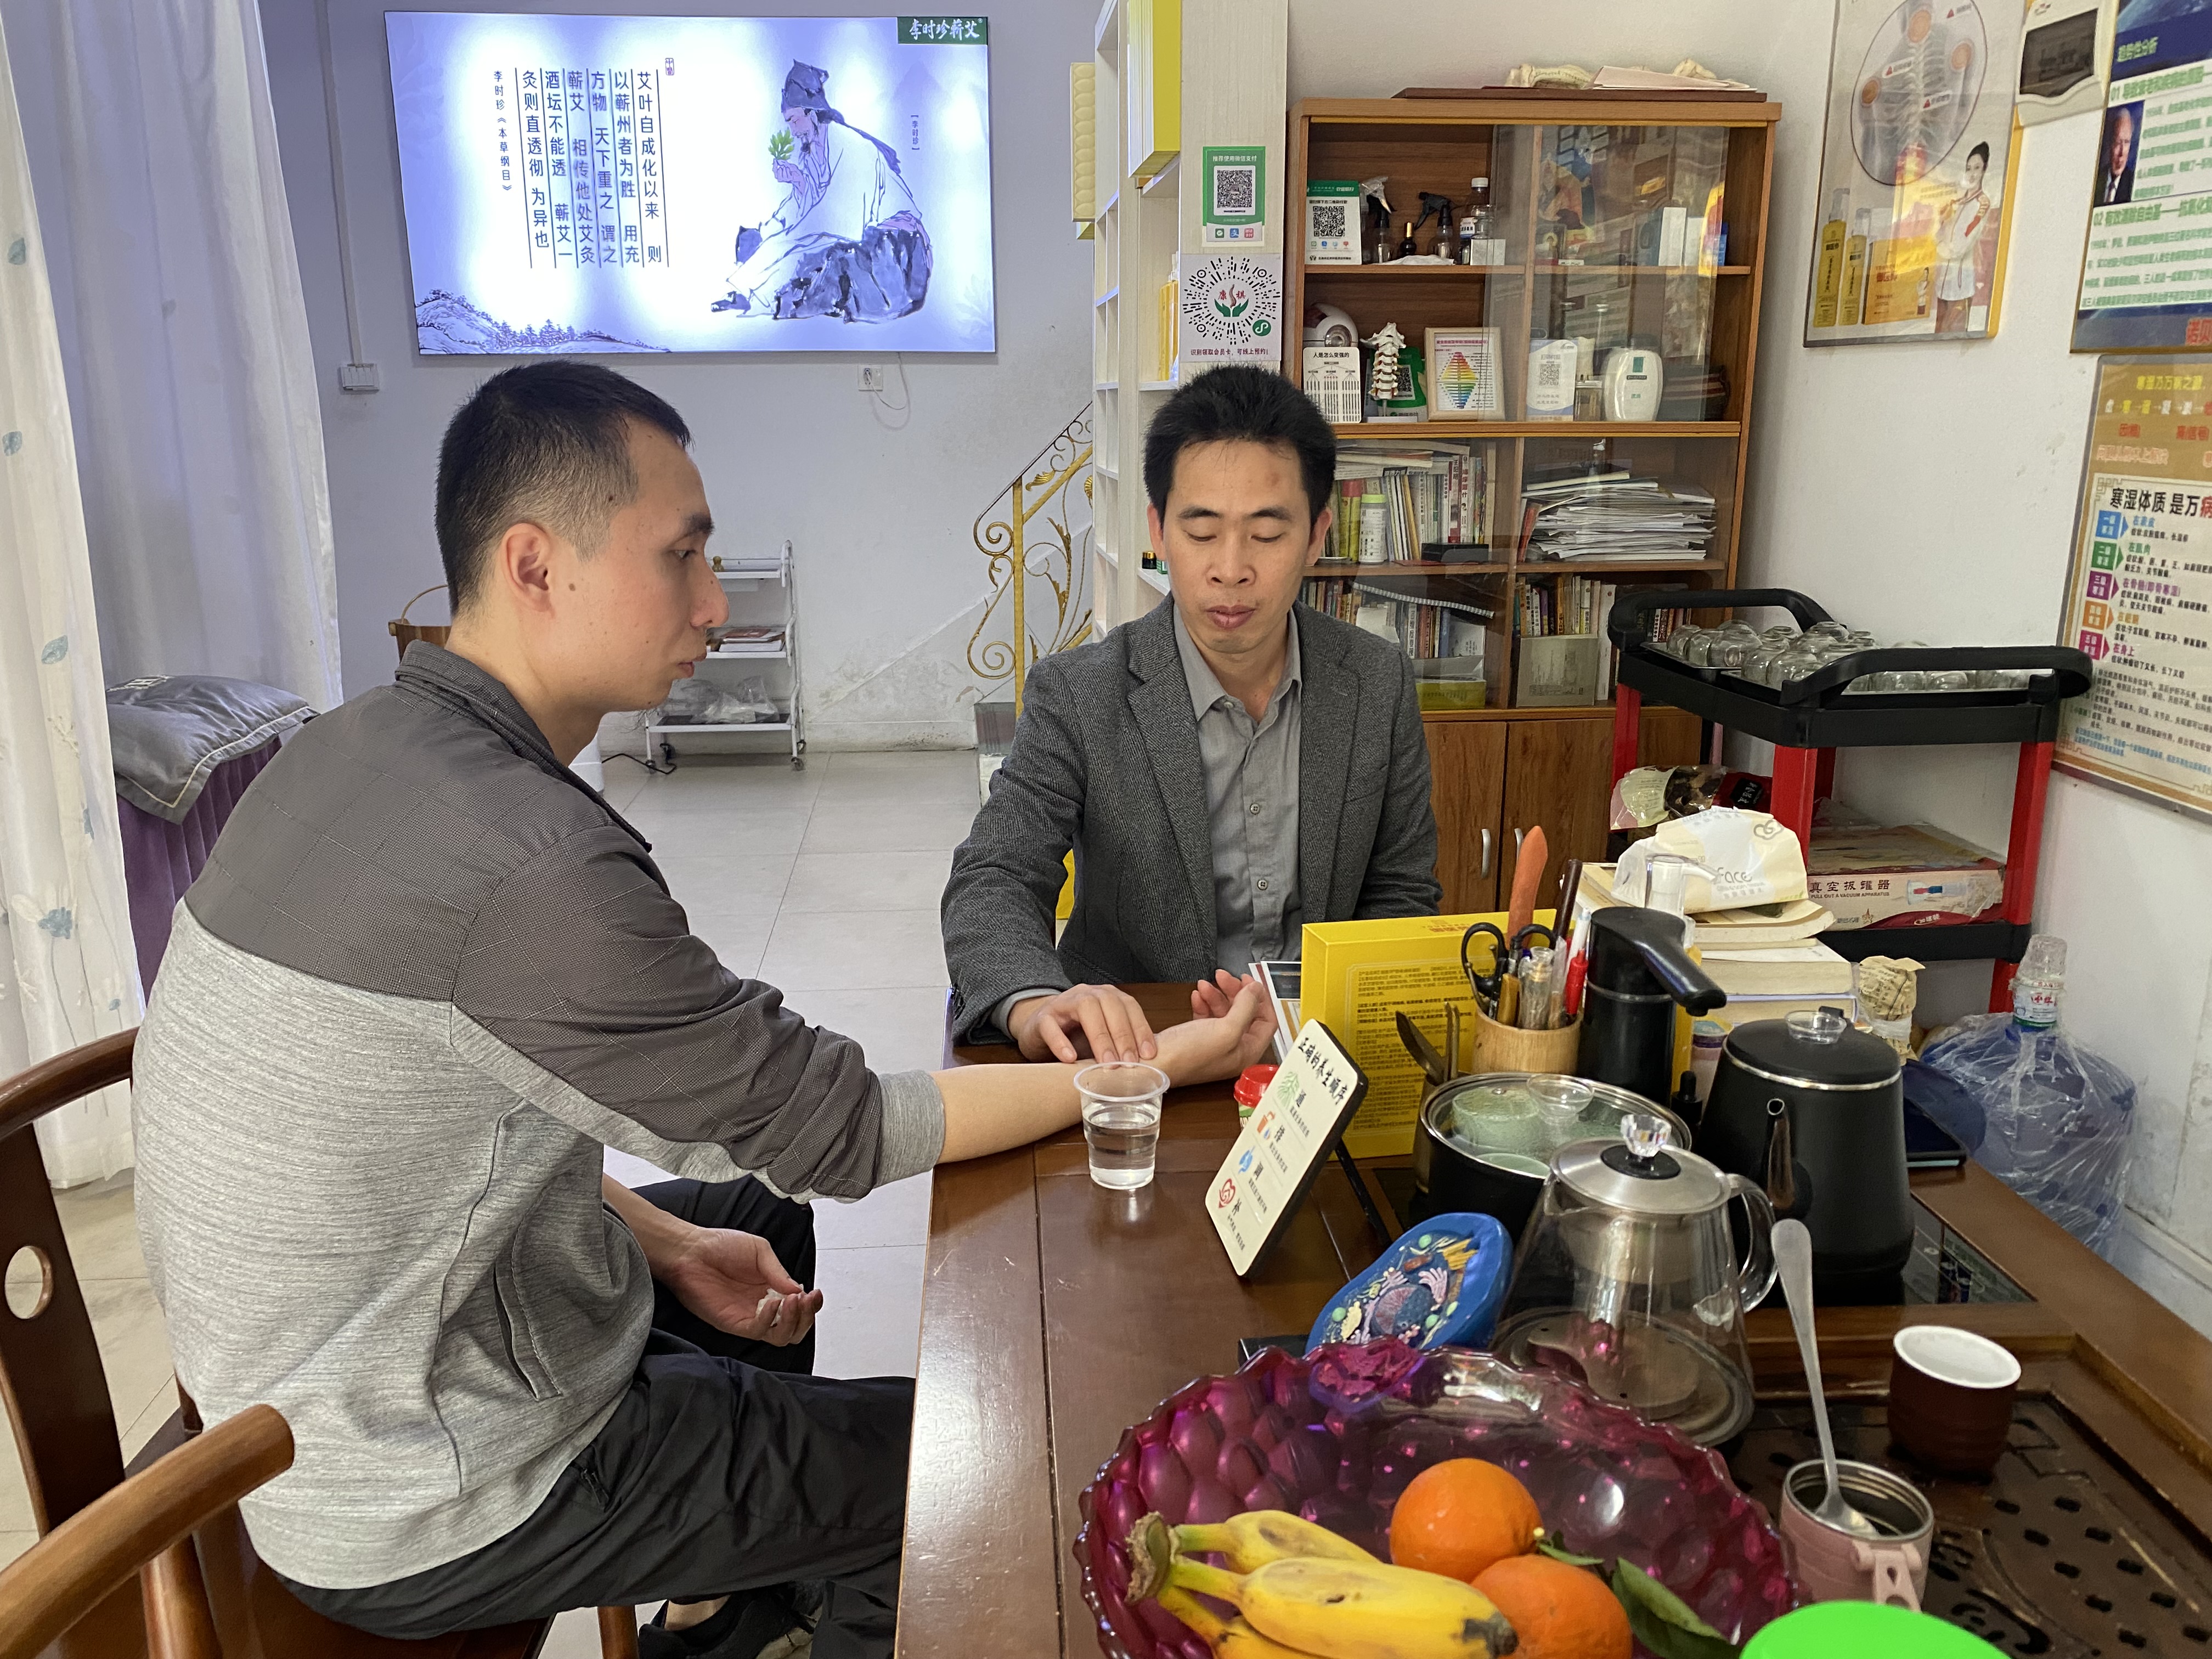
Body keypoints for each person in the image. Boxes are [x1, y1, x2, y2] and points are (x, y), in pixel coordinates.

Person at [129, 362, 1272, 1659]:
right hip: (418, 1475)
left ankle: (724, 1608)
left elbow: (436, 1128)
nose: (716, 603)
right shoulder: (530, 861)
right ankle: (775, 1596)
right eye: (681, 556)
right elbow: (840, 1128)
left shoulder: (353, 748)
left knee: (749, 1218)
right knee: (957, 1472)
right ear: (534, 565)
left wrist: (666, 1244)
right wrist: (1148, 1066)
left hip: (329, 1377)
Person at [940, 365, 1441, 1064]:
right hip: (1140, 1052)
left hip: (1318, 1051)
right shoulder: (1078, 693)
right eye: (1202, 532)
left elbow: (1401, 889)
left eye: (1267, 534)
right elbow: (996, 873)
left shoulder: (1376, 680)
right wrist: (1032, 1000)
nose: (1230, 569)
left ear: (1316, 535)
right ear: (1159, 530)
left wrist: (1330, 1015)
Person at [712, 61, 931, 323]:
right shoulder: (813, 151)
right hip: (859, 241)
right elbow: (809, 209)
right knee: (790, 243)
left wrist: (781, 238)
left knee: (804, 251)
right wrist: (798, 183)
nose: (793, 131)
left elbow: (840, 223)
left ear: (813, 113)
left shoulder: (852, 147)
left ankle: (752, 295)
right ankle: (747, 292)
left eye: (795, 120)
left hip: (895, 255)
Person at [1934, 141, 1993, 336]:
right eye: (1969, 168)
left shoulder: (1982, 204)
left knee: (1954, 338)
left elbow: (1960, 246)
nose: (1972, 173)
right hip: (1943, 283)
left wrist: (1942, 247)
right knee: (1936, 338)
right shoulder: (1956, 203)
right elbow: (1937, 235)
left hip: (1961, 286)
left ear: (1984, 169)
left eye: (1977, 168)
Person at [2098, 103, 2138, 208]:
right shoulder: (2097, 179)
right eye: (2118, 142)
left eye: (2127, 142)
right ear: (2110, 143)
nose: (2122, 153)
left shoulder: (2134, 183)